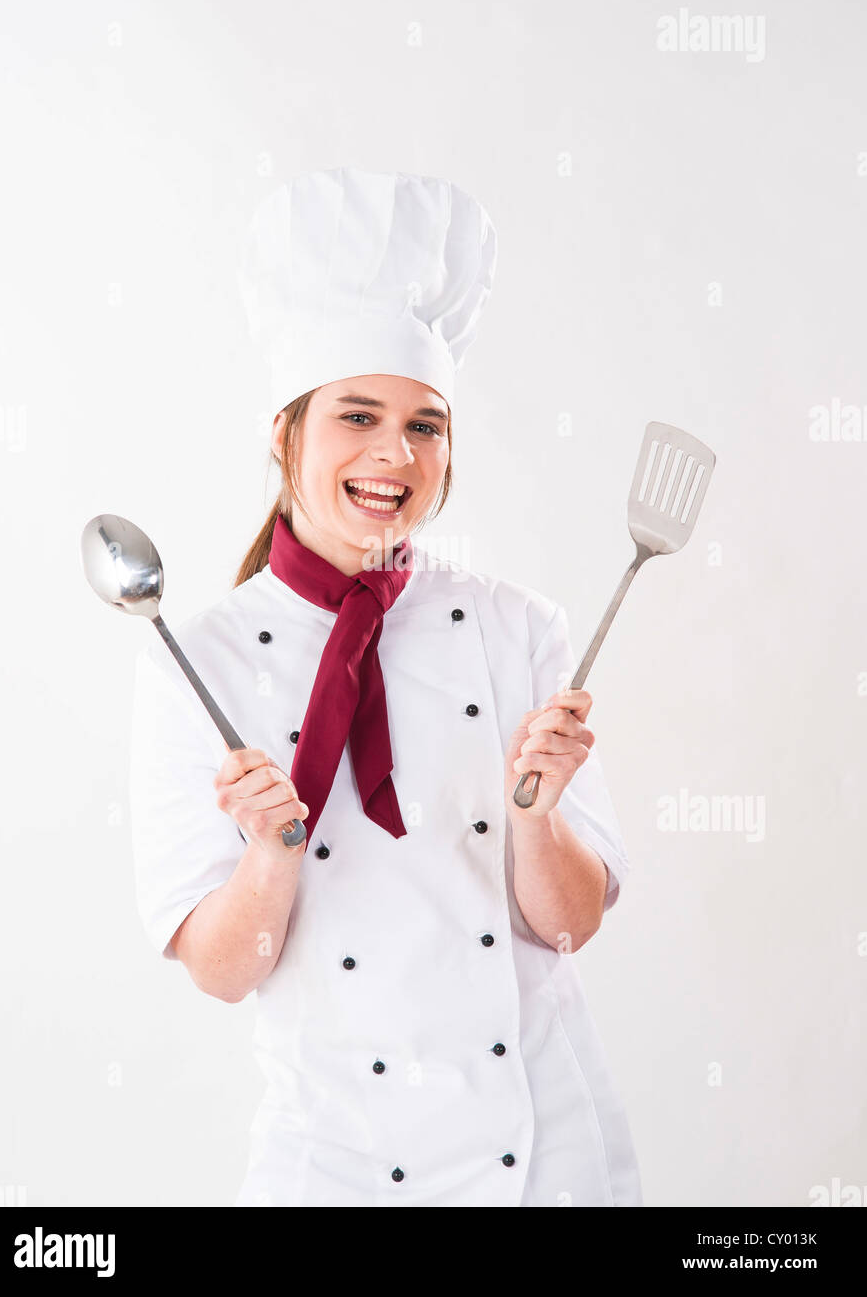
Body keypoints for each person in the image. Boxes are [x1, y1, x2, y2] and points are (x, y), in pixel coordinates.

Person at [128, 166, 643, 1207]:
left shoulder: (517, 629)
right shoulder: (196, 659)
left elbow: (570, 924)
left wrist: (535, 819)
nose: (395, 454)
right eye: (357, 416)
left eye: (426, 424)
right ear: (285, 435)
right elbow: (227, 971)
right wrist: (272, 859)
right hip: (333, 1160)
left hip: (546, 1151)